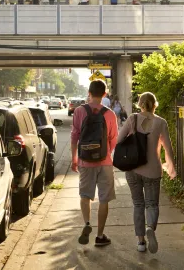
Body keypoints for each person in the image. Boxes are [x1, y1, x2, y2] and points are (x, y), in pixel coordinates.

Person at [117, 92, 176, 254]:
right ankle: (150, 227)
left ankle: (141, 242)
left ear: (140, 104)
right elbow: (168, 148)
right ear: (154, 104)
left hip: (133, 169)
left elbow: (118, 140)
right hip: (153, 170)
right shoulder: (161, 122)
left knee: (138, 204)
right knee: (152, 204)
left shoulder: (132, 119)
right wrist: (171, 167)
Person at [71, 79, 118, 247]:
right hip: (105, 162)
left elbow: (75, 136)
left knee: (85, 196)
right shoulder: (110, 114)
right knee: (104, 199)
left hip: (85, 161)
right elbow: (113, 139)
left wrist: (74, 158)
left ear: (89, 93)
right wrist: (106, 154)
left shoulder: (79, 111)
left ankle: (87, 224)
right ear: (104, 94)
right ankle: (99, 236)